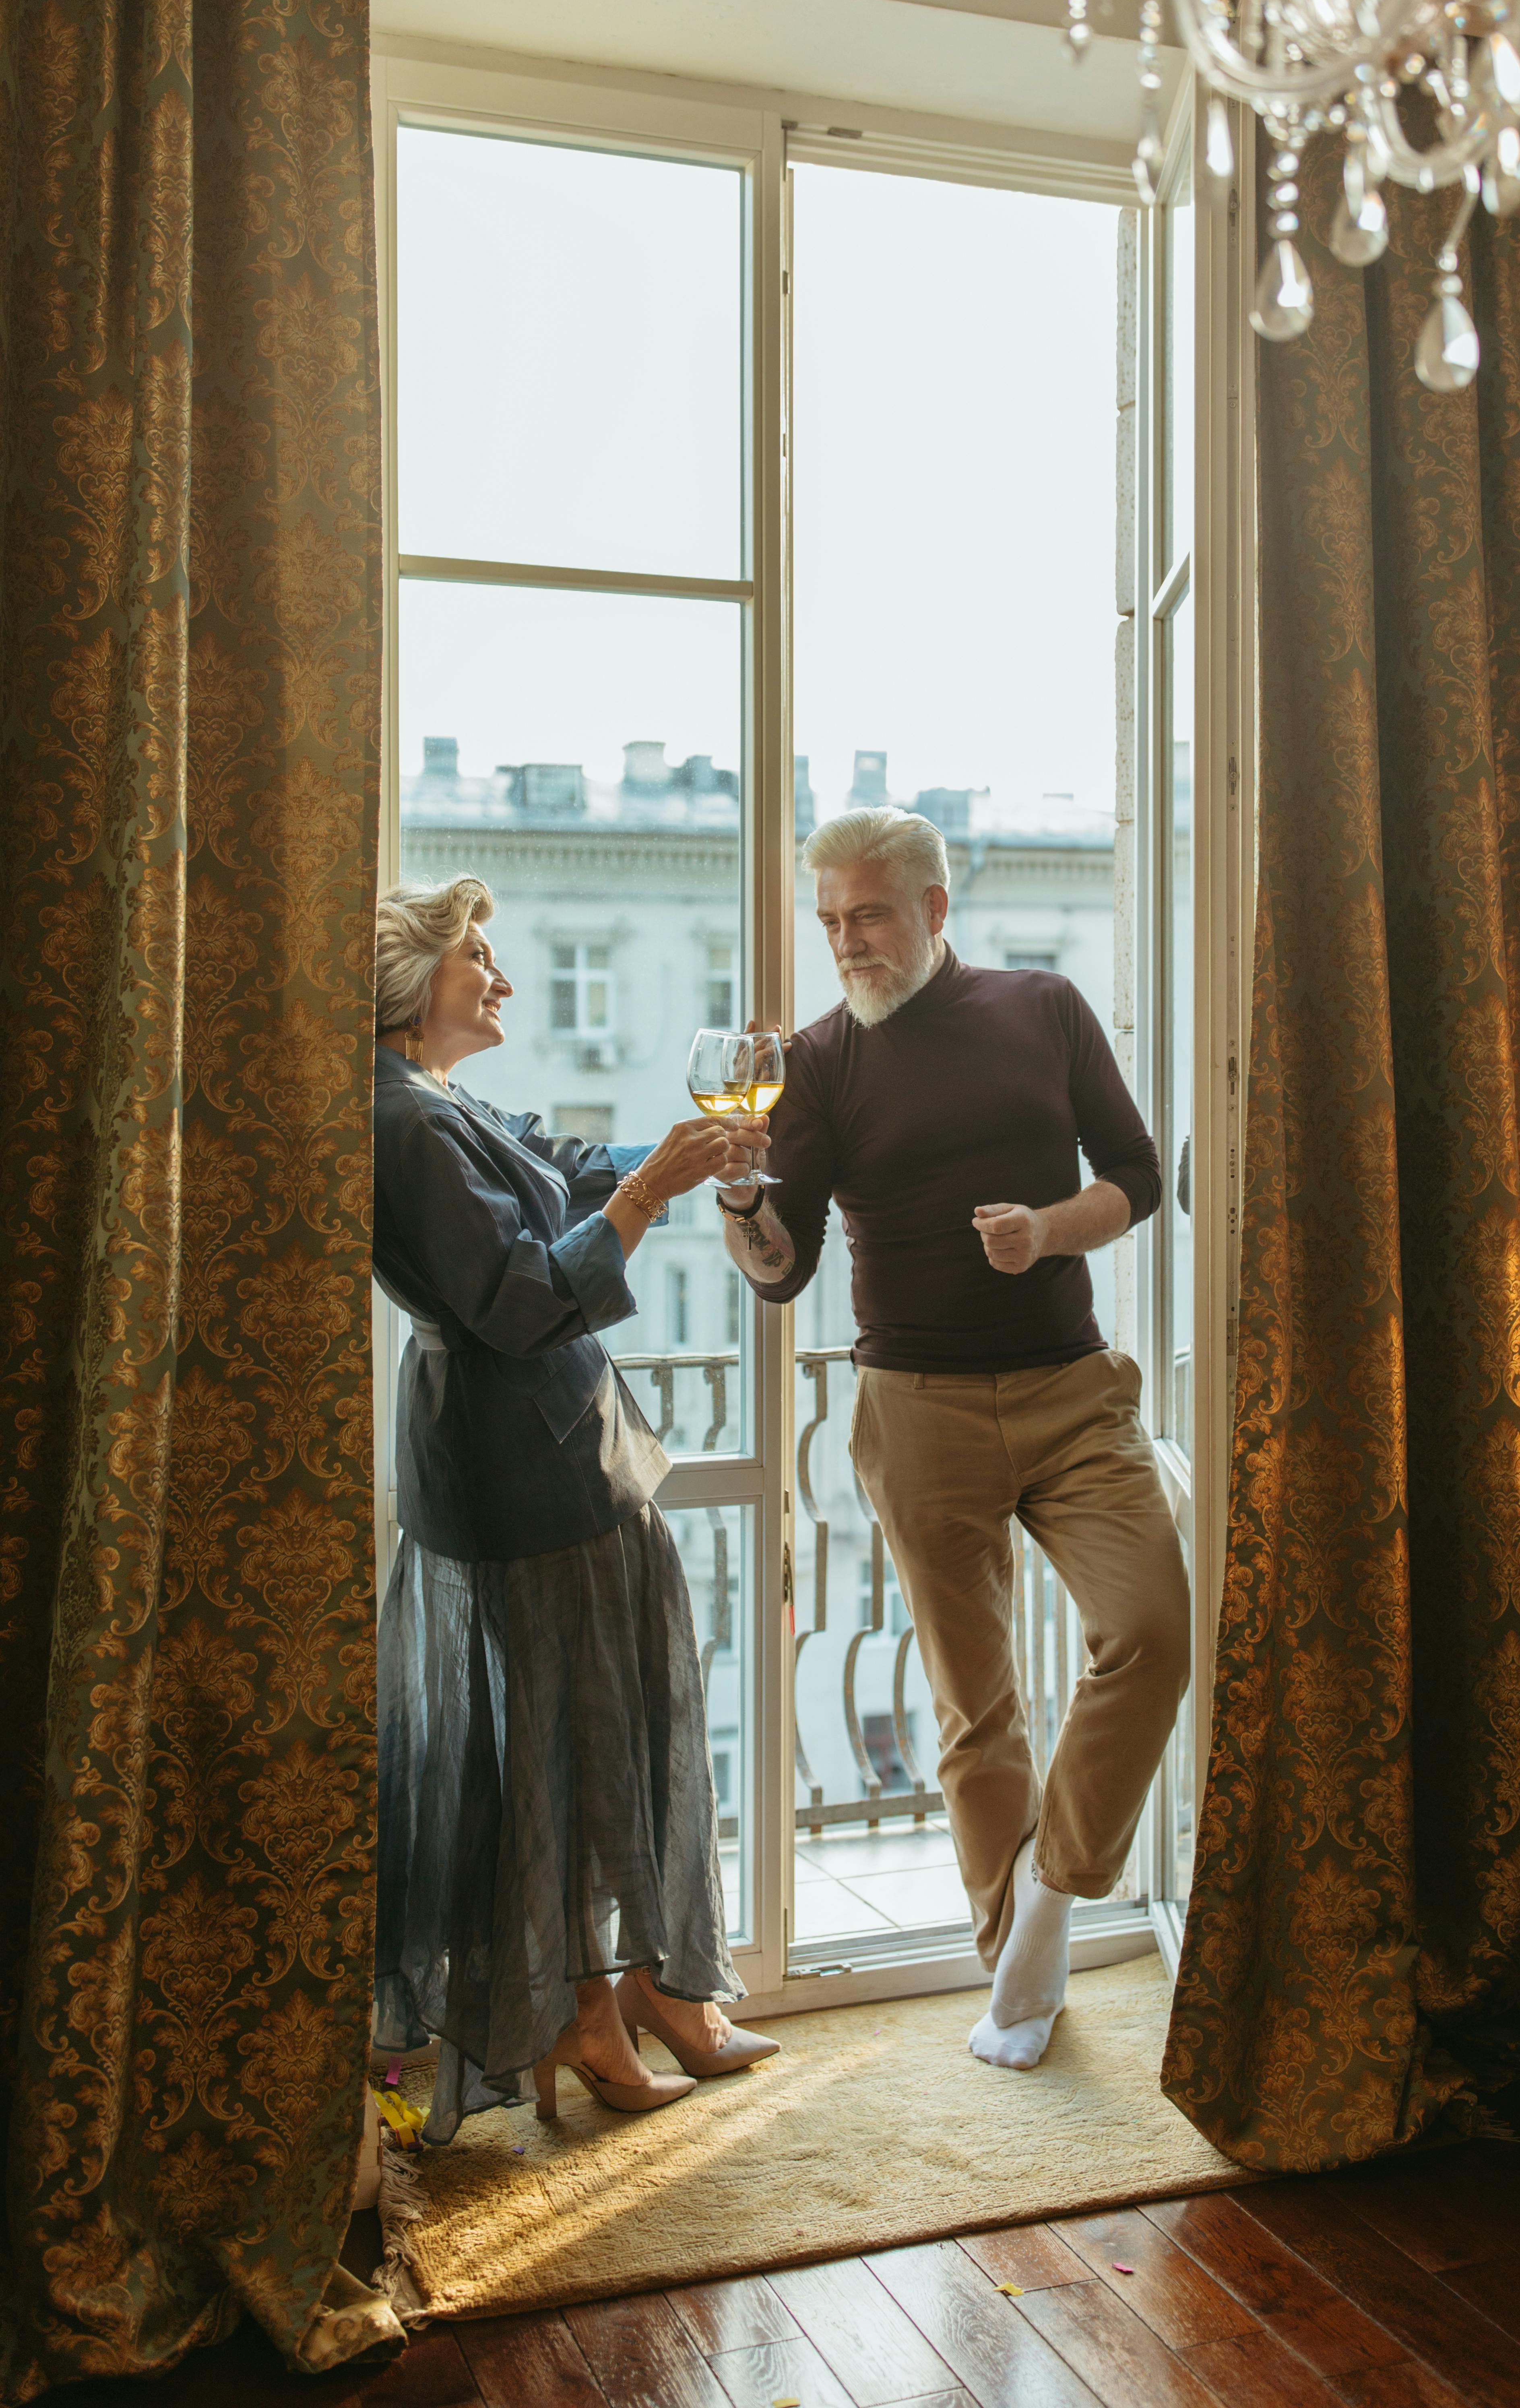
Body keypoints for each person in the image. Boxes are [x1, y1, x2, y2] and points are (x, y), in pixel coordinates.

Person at [716, 808, 1190, 2069]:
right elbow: (780, 1270)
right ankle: (1016, 1973)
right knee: (977, 1709)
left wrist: (1048, 1230)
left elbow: (1136, 1177)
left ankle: (1052, 1895)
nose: (846, 942)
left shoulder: (1044, 1007)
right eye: (829, 921)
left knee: (1151, 1632)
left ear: (934, 908)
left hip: (1074, 1391)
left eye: (867, 914)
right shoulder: (819, 1061)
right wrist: (742, 1202)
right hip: (915, 1407)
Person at [371, 874, 779, 2143]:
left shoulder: (436, 1101)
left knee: (591, 1728)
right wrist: (654, 1193)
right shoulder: (404, 1122)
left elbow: (564, 1164)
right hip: (523, 1464)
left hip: (539, 1451)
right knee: (568, 1741)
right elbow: (515, 1300)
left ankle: (633, 1987)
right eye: (476, 958)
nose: (498, 977)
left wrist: (684, 1148)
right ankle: (595, 2002)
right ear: (408, 981)